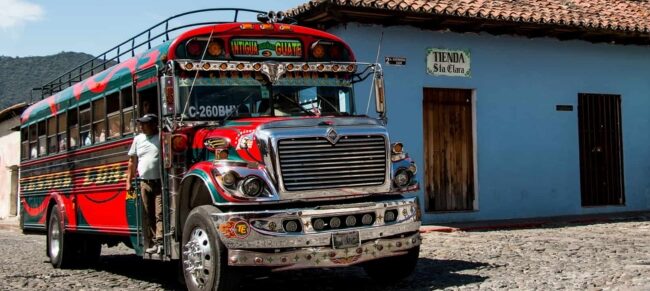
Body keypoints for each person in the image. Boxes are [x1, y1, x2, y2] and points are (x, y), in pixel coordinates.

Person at [125, 113, 163, 254]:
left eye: (145, 123)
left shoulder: (160, 137)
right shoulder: (138, 139)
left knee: (159, 212)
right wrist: (128, 182)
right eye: (141, 123)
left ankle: (160, 241)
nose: (141, 126)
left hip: (159, 182)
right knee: (148, 213)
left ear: (154, 124)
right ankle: (154, 240)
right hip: (144, 182)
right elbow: (132, 161)